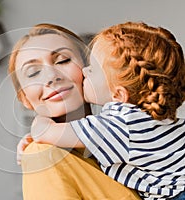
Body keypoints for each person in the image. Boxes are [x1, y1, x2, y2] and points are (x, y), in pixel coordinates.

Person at [30, 22, 185, 199]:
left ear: (118, 95)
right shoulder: (158, 118)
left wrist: (39, 118)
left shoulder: (117, 126)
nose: (84, 71)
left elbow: (45, 132)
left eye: (92, 69)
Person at [8, 23, 140, 199]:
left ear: (91, 70)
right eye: (33, 73)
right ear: (25, 98)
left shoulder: (128, 132)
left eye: (63, 60)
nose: (51, 76)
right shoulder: (41, 156)